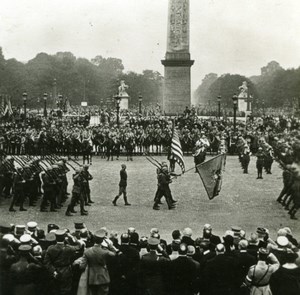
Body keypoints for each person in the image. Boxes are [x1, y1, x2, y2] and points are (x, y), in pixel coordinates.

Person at [75, 229, 117, 295]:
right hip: (103, 277)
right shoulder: (105, 251)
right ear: (102, 240)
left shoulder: (87, 251)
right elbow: (114, 254)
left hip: (92, 278)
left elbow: (82, 266)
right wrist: (111, 246)